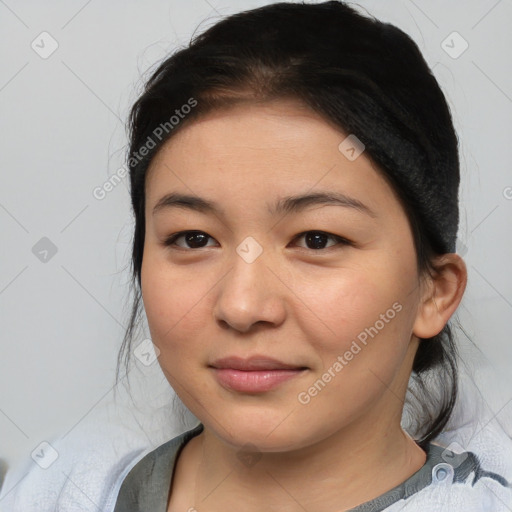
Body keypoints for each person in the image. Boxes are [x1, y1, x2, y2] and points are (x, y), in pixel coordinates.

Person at [1, 2, 511, 511]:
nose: (242, 306)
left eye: (316, 240)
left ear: (434, 292)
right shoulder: (52, 491)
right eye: (194, 239)